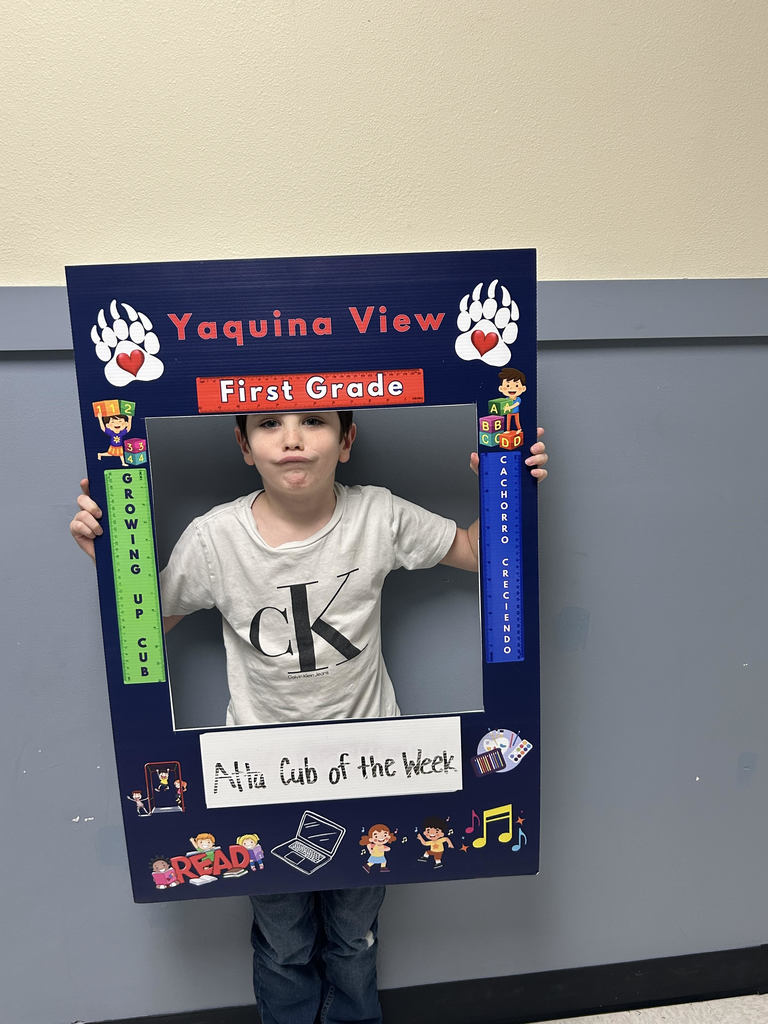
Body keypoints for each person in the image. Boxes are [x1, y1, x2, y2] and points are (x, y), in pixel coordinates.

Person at [70, 409, 548, 1024]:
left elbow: (479, 550)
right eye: (269, 424)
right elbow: (150, 626)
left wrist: (506, 485)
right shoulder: (215, 537)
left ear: (346, 441)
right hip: (258, 779)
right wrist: (107, 562)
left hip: (370, 771)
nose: (292, 438)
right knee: (284, 941)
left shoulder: (378, 513)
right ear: (244, 445)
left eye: (315, 422)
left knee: (353, 934)